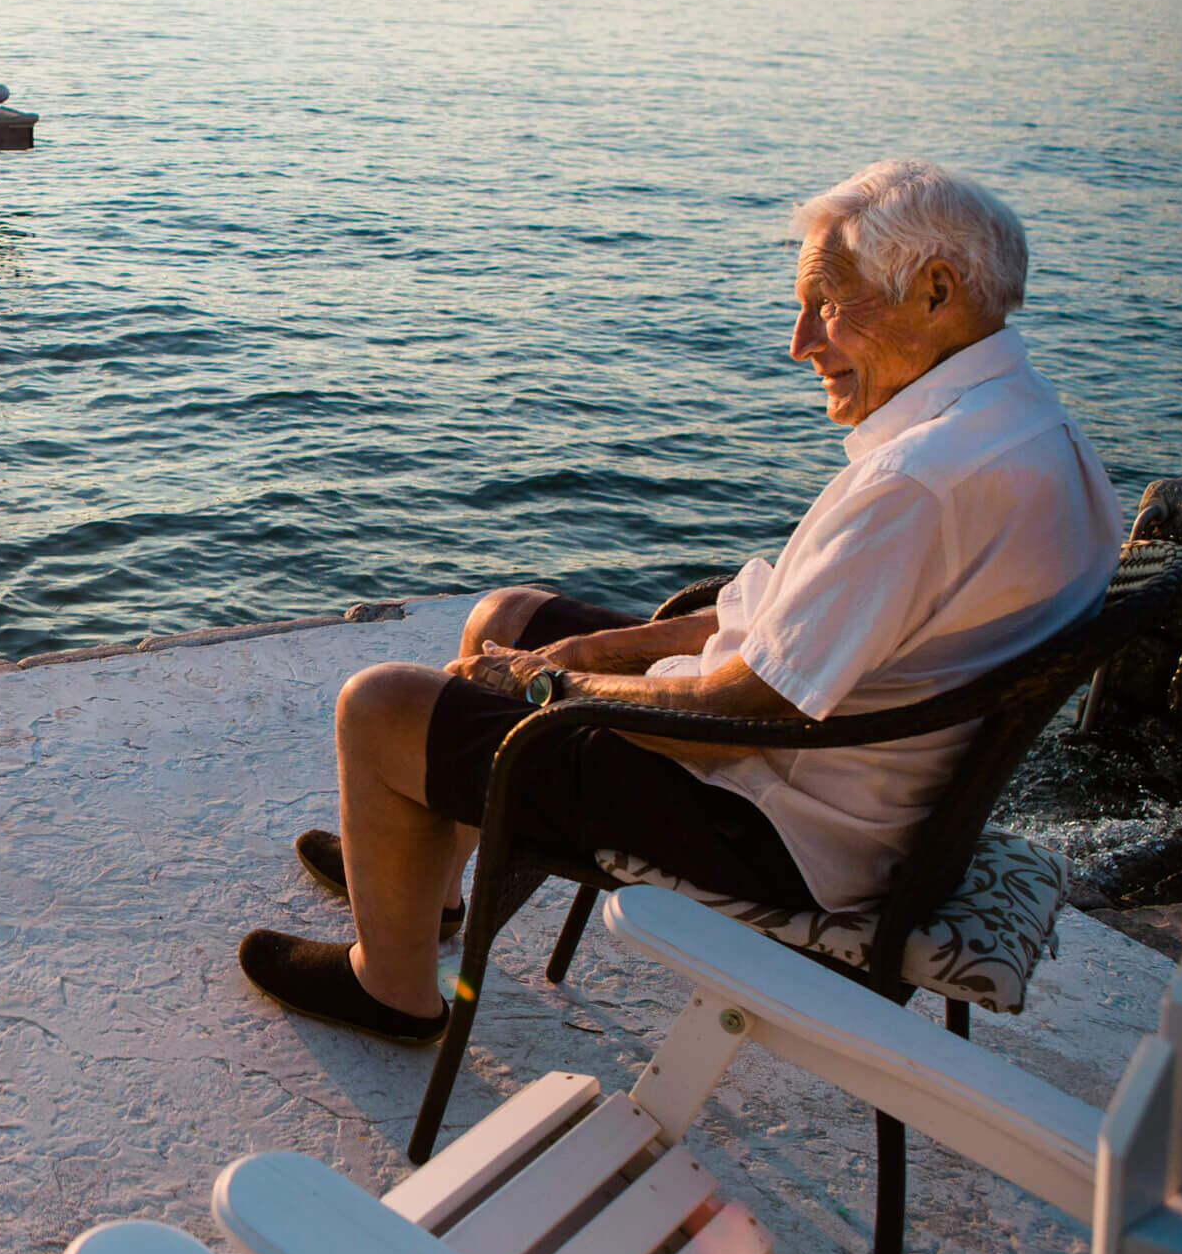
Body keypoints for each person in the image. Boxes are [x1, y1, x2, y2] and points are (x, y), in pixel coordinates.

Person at [238, 160, 1121, 1043]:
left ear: (935, 289)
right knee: (509, 616)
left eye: (827, 303)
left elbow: (746, 708)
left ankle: (390, 987)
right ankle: (423, 892)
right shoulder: (1030, 427)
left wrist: (553, 692)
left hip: (779, 828)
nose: (801, 341)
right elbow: (801, 628)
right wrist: (578, 652)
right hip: (856, 790)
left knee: (382, 705)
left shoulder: (921, 482)